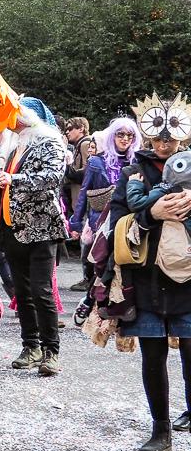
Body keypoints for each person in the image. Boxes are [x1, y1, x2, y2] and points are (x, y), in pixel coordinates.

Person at [113, 92, 191, 451]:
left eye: (171, 138)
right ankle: (160, 430)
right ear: (148, 136)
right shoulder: (133, 172)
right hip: (145, 279)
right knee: (152, 353)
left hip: (188, 278)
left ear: (182, 137)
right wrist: (150, 214)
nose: (164, 144)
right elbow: (114, 223)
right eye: (158, 137)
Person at [0, 96, 68, 377]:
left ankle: (51, 351)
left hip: (41, 228)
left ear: (27, 116)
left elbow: (52, 177)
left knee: (42, 291)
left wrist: (13, 180)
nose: (9, 119)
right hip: (12, 227)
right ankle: (30, 346)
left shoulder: (49, 141)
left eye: (14, 114)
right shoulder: (14, 145)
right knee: (23, 293)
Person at [70, 117, 140, 315]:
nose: (125, 139)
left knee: (124, 262)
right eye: (120, 134)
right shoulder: (96, 161)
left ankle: (119, 303)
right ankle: (92, 298)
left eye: (130, 135)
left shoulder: (138, 161)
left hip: (129, 221)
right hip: (101, 221)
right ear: (112, 136)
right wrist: (75, 223)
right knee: (100, 262)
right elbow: (84, 193)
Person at [64, 117, 94, 222]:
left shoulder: (85, 144)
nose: (67, 132)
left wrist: (66, 168)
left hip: (85, 203)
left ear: (81, 129)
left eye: (70, 128)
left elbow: (88, 173)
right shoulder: (80, 145)